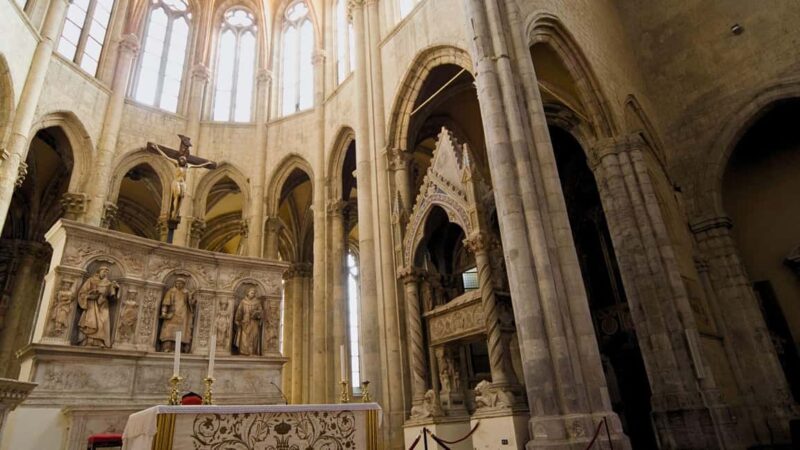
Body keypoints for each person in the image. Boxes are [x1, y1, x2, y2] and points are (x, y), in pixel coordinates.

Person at [77, 266, 119, 347]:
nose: (105, 273)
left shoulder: (108, 283)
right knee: (92, 322)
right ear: (98, 271)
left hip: (103, 305)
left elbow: (112, 296)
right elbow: (82, 293)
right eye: (103, 271)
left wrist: (115, 288)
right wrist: (89, 296)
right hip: (92, 304)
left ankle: (100, 340)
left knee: (103, 323)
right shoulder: (90, 280)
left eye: (106, 272)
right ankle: (89, 340)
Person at [159, 278, 196, 352]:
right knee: (169, 330)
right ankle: (167, 347)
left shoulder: (186, 292)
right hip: (172, 313)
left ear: (184, 284)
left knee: (181, 331)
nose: (179, 285)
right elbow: (166, 302)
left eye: (181, 283)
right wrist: (164, 312)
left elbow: (190, 303)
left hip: (183, 314)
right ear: (175, 283)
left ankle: (179, 348)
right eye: (177, 283)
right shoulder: (171, 291)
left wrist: (193, 301)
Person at [234, 287, 263, 356]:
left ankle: (253, 352)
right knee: (244, 337)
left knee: (254, 336)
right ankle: (244, 352)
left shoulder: (257, 302)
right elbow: (239, 311)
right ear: (247, 293)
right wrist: (238, 320)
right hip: (245, 322)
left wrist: (257, 313)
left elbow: (261, 312)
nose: (253, 294)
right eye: (251, 293)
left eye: (254, 293)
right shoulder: (243, 301)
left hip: (254, 322)